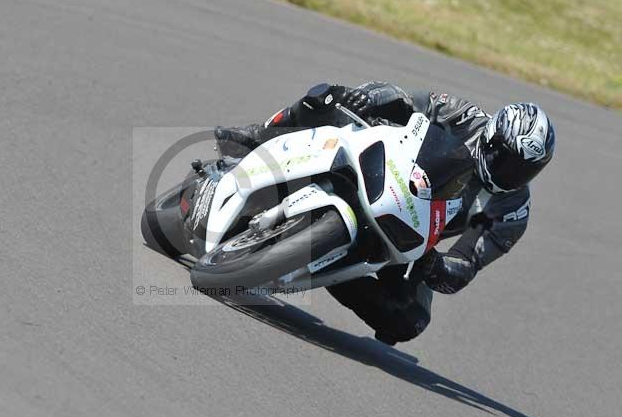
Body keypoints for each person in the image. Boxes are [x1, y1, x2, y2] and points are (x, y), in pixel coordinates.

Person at [215, 82, 556, 345]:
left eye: (526, 170)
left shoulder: (512, 210)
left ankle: (335, 270)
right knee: (326, 98)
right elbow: (408, 100)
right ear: (492, 138)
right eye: (506, 160)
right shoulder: (465, 117)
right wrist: (370, 99)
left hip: (415, 239)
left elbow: (468, 264)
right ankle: (259, 135)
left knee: (410, 321)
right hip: (387, 171)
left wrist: (437, 266)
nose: (511, 174)